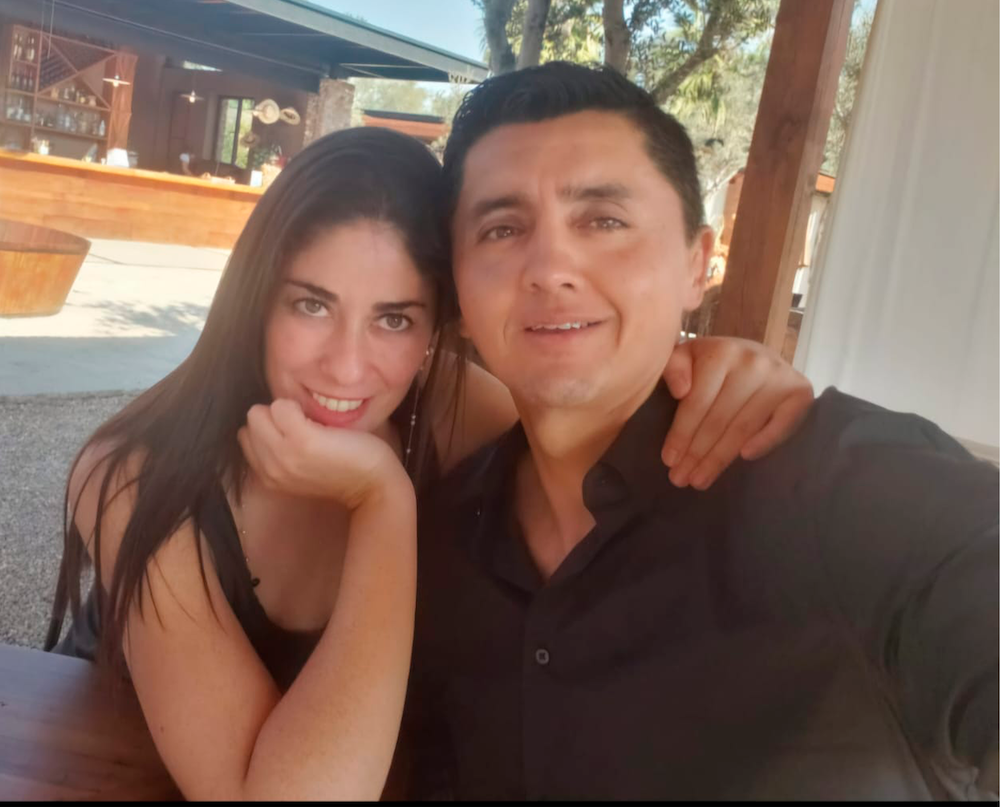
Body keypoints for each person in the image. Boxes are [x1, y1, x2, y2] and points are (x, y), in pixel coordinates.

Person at [47, 126, 813, 801]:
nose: (347, 367)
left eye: (393, 319)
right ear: (254, 300)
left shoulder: (453, 412)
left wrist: (720, 373)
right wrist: (382, 499)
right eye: (311, 304)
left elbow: (613, 424)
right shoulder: (134, 475)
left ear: (439, 326)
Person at [410, 63, 999, 802]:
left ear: (697, 264)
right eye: (502, 228)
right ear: (460, 295)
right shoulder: (441, 539)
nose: (550, 266)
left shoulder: (830, 483)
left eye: (604, 220)